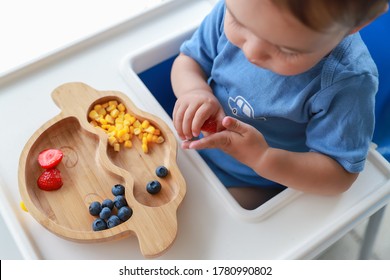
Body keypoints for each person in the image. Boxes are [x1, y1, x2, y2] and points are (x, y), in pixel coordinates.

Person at [170, 0, 389, 209]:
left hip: (253, 181)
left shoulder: (347, 82)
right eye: (238, 23)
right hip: (185, 148)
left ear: (354, 26)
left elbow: (339, 175)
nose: (252, 53)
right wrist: (194, 91)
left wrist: (263, 158)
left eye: (287, 50)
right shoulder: (244, 8)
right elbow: (189, 60)